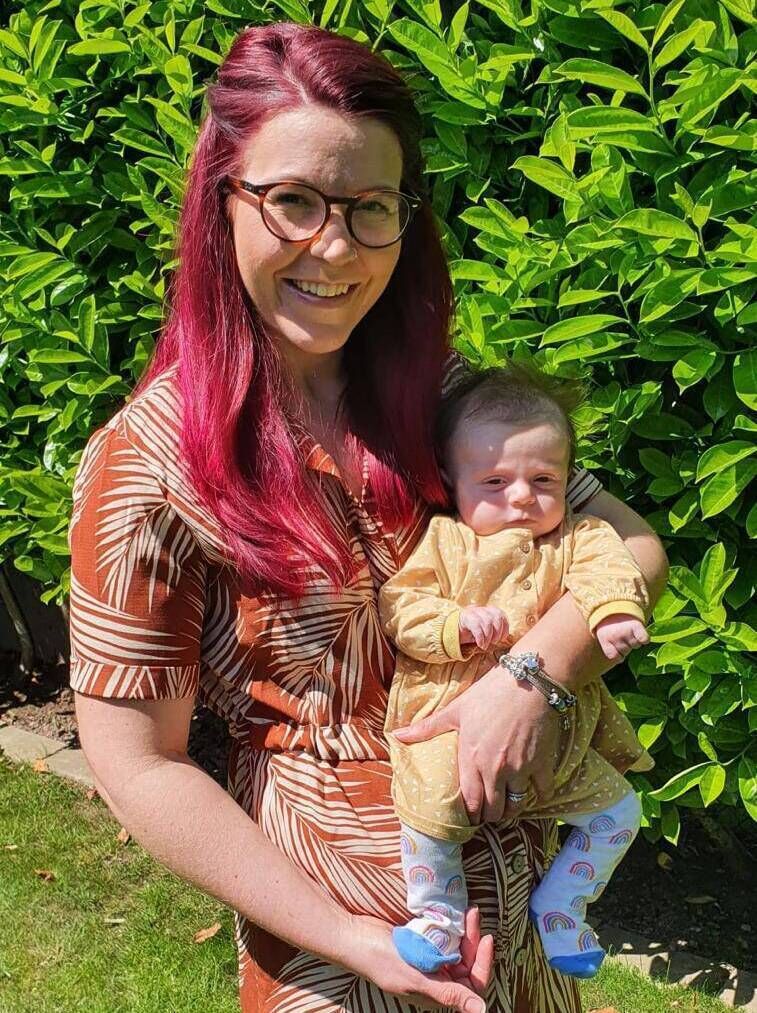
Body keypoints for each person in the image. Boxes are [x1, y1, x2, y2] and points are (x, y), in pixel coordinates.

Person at [67, 21, 668, 1013]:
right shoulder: (147, 468)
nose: (334, 247)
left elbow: (629, 541)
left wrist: (534, 674)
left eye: (368, 207)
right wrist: (356, 941)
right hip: (336, 936)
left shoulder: (445, 398)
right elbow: (138, 764)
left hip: (513, 901)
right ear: (220, 203)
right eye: (293, 201)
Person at [379, 364, 656, 981]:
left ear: (569, 479)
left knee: (619, 814)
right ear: (452, 483)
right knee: (427, 810)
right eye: (496, 481)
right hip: (449, 728)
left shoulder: (579, 537)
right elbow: (403, 607)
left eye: (544, 479)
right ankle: (436, 912)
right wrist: (452, 626)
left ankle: (562, 905)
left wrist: (611, 615)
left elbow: (614, 572)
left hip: (560, 739)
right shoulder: (445, 543)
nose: (524, 498)